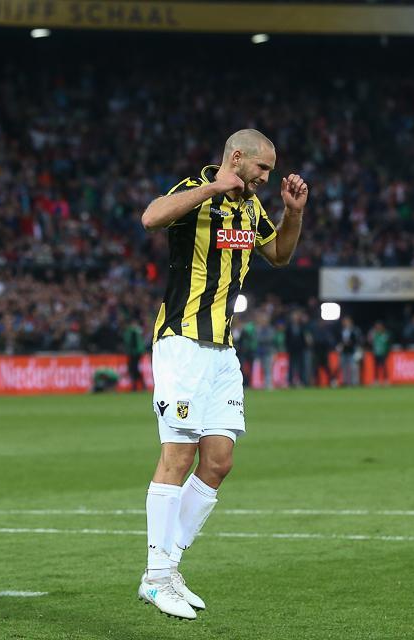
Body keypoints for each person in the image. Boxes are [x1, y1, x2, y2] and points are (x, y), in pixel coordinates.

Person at [138, 129, 308, 619]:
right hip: (182, 343)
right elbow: (150, 218)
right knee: (178, 455)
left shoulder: (251, 209)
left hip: (222, 350)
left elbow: (280, 255)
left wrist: (293, 213)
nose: (267, 177)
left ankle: (167, 567)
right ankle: (156, 577)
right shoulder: (196, 191)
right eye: (262, 168)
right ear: (237, 158)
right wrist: (214, 187)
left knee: (218, 461)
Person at [122, 318, 147, 392]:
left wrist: (131, 351)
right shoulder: (136, 331)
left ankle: (137, 385)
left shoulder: (131, 331)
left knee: (133, 369)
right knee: (134, 369)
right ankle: (139, 385)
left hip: (134, 353)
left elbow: (132, 343)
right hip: (136, 352)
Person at [370, 321, 391, 386]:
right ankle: (376, 380)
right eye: (377, 326)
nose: (378, 327)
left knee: (384, 366)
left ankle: (386, 380)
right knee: (376, 367)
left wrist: (387, 352)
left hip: (383, 353)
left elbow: (388, 344)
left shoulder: (385, 334)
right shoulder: (374, 334)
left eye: (379, 326)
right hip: (376, 353)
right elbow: (371, 342)